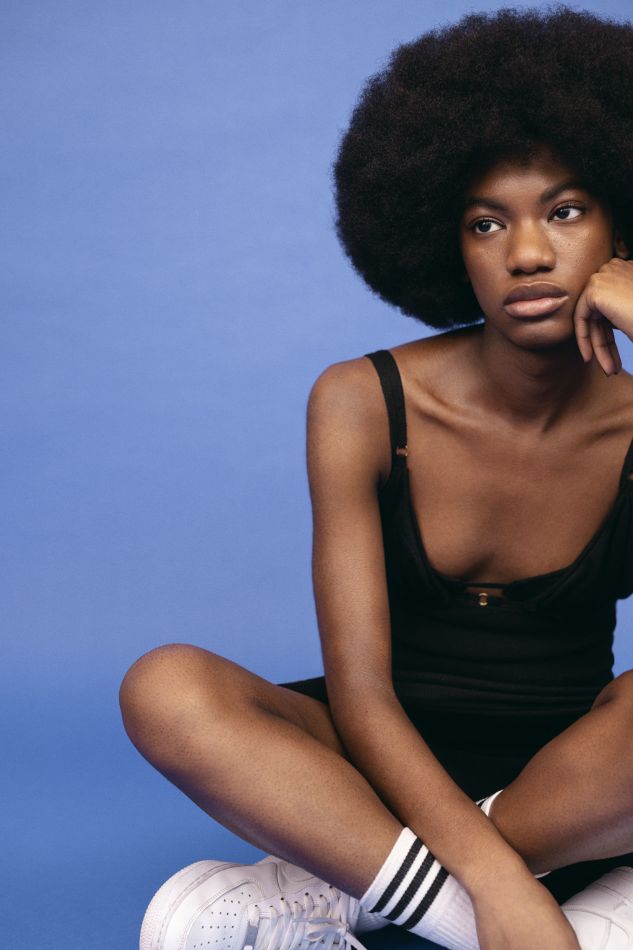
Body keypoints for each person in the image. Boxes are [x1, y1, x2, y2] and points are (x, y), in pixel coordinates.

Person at [119, 6, 633, 949]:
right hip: (369, 754)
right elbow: (360, 695)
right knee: (165, 687)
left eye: (564, 212)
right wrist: (494, 888)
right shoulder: (361, 401)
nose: (526, 253)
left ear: (622, 227)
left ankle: (343, 884)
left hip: (561, 781)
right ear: (449, 245)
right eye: (486, 223)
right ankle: (522, 910)